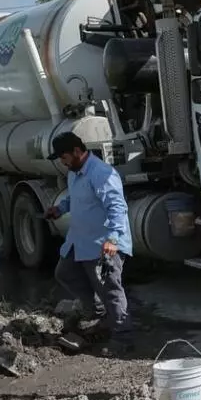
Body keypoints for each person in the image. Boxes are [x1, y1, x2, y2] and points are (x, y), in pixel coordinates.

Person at [44, 132, 134, 355]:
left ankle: (123, 338)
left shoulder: (101, 173)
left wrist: (112, 238)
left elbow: (118, 208)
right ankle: (101, 314)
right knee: (65, 273)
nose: (62, 163)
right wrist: (60, 209)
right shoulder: (75, 172)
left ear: (76, 151)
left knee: (110, 290)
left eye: (64, 157)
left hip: (103, 244)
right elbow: (75, 198)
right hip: (80, 240)